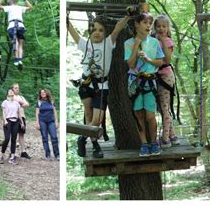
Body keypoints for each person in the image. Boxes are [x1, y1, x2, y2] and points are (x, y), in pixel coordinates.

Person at [68, 16, 128, 158]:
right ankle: (95, 146)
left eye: (101, 30)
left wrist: (128, 16)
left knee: (97, 120)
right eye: (94, 29)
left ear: (105, 33)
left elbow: (118, 27)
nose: (97, 32)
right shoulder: (85, 43)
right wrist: (66, 20)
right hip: (86, 84)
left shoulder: (108, 43)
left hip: (102, 86)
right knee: (88, 116)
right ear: (89, 30)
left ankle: (82, 139)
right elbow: (71, 30)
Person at [124, 11, 165, 157]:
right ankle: (144, 144)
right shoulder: (128, 43)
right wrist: (136, 45)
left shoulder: (154, 42)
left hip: (149, 81)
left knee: (150, 115)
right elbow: (130, 63)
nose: (148, 26)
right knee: (138, 115)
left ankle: (153, 142)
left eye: (150, 23)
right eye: (145, 23)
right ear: (137, 24)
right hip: (135, 82)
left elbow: (161, 62)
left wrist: (148, 59)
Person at [153, 14, 180, 148]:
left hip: (165, 76)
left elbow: (167, 59)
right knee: (163, 107)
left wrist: (163, 41)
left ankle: (165, 138)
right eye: (158, 26)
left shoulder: (167, 41)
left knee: (165, 108)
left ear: (168, 28)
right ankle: (173, 136)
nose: (161, 29)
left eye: (164, 26)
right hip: (156, 76)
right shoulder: (153, 39)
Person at [0, 0, 32, 70]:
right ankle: (20, 59)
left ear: (10, 2)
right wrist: (26, 0)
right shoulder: (20, 7)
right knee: (20, 44)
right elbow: (30, 7)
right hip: (20, 26)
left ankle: (16, 59)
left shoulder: (9, 7)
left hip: (12, 26)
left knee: (15, 42)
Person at [0, 89, 25, 165]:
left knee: (14, 139)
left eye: (12, 91)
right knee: (7, 138)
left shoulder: (17, 103)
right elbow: (3, 112)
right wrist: (5, 120)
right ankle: (2, 155)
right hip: (8, 121)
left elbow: (19, 113)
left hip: (15, 121)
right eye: (10, 91)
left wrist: (22, 122)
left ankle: (12, 157)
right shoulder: (5, 102)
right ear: (7, 94)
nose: (11, 92)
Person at [35, 89, 59, 160]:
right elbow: (37, 113)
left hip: (51, 121)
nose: (42, 93)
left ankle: (57, 155)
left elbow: (55, 112)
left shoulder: (51, 101)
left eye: (44, 92)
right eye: (41, 92)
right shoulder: (39, 102)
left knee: (54, 137)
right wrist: (37, 123)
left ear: (47, 93)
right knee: (45, 138)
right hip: (42, 121)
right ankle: (48, 155)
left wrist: (56, 122)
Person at [11, 83, 31, 159]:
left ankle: (23, 151)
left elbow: (27, 105)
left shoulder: (21, 97)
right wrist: (20, 103)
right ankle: (13, 152)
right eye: (15, 88)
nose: (17, 89)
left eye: (18, 88)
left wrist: (20, 103)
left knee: (21, 134)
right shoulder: (11, 96)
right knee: (13, 134)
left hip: (22, 117)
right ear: (12, 89)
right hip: (13, 117)